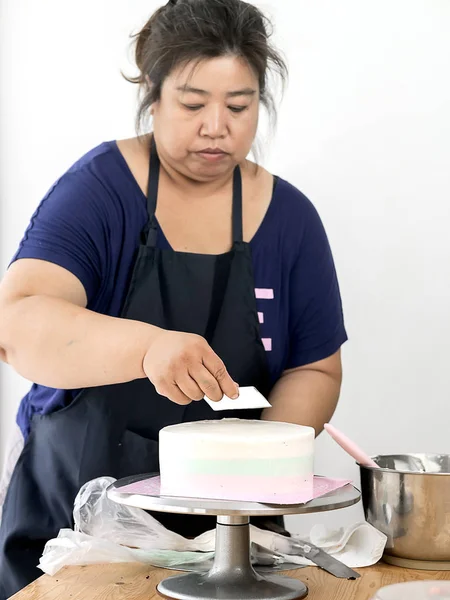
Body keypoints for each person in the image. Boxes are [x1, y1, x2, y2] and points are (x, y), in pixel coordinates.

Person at [0, 0, 347, 596]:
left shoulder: (290, 220)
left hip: (235, 538)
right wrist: (146, 349)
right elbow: (19, 323)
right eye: (192, 104)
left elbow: (315, 367)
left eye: (239, 106)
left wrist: (251, 465)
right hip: (79, 530)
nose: (217, 126)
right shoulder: (99, 193)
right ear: (153, 96)